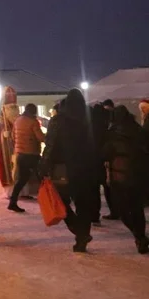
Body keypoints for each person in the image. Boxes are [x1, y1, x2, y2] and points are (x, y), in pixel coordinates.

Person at [39, 89, 95, 252]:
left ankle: (78, 230)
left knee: (61, 200)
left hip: (63, 168)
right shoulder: (89, 119)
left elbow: (50, 146)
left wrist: (43, 166)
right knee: (83, 204)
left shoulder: (59, 120)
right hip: (86, 168)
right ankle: (81, 237)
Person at [102, 106, 148, 253]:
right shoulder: (139, 130)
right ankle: (140, 236)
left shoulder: (112, 134)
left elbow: (104, 154)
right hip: (138, 175)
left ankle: (139, 236)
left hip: (120, 175)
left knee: (123, 209)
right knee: (136, 207)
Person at [9, 103, 46, 212]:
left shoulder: (18, 120)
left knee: (21, 179)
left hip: (20, 153)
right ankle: (49, 201)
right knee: (43, 177)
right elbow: (40, 137)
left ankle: (13, 201)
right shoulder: (33, 121)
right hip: (32, 153)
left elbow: (12, 136)